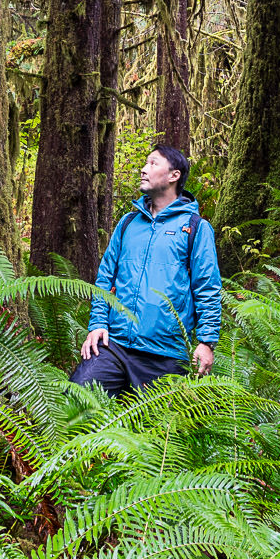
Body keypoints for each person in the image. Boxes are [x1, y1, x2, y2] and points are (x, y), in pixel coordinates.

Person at [70, 145, 220, 396]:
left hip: (165, 354)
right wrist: (97, 323)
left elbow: (207, 288)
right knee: (76, 403)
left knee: (154, 431)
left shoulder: (196, 227)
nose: (143, 169)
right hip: (114, 346)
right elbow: (105, 278)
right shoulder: (128, 223)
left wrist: (206, 342)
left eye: (152, 163)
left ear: (174, 175)